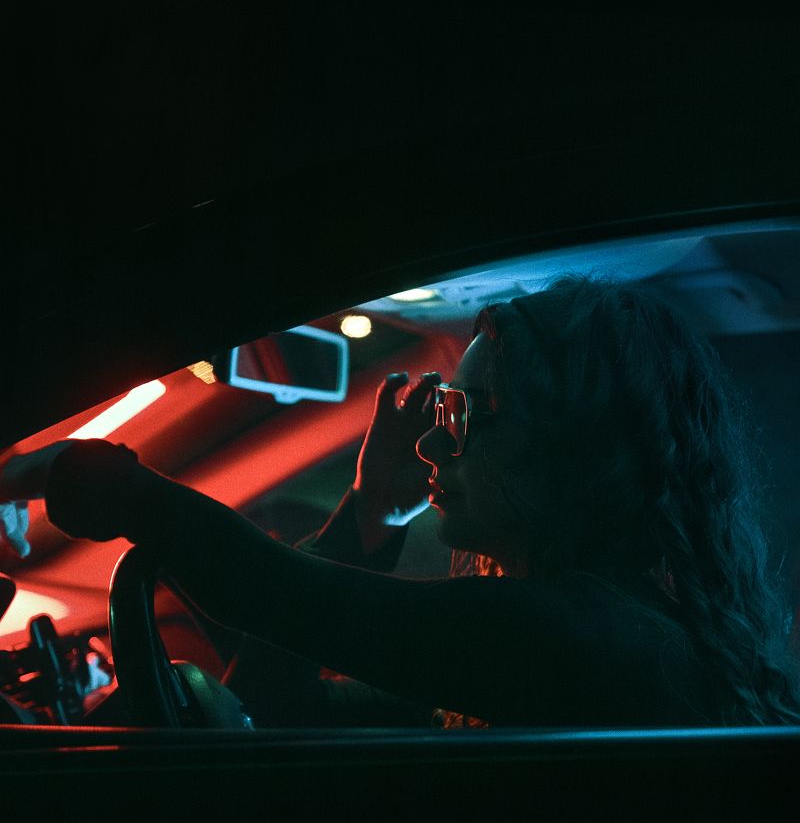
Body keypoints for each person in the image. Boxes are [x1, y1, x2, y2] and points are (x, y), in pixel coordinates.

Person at [1, 274, 798, 727]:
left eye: (470, 414)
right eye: (445, 411)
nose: (432, 445)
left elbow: (277, 596)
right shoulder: (605, 634)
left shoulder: (582, 636)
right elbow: (279, 710)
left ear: (574, 446)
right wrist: (373, 508)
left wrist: (69, 472)